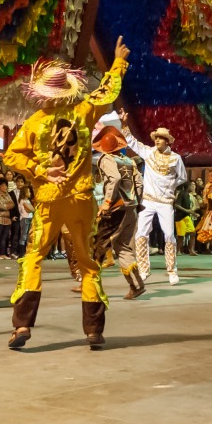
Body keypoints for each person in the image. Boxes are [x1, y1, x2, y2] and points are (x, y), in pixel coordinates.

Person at [3, 38, 130, 350]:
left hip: (49, 199)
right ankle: (94, 330)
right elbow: (108, 92)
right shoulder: (84, 112)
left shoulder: (35, 122)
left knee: (33, 256)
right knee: (88, 263)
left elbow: (11, 157)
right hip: (82, 199)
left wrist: (42, 171)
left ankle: (22, 325)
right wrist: (117, 63)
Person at [124, 124, 185, 285]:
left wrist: (171, 186)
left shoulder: (175, 158)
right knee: (141, 234)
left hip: (165, 202)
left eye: (160, 138)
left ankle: (172, 270)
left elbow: (182, 177)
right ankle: (144, 269)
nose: (157, 140)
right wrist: (124, 124)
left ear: (167, 141)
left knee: (169, 235)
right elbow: (132, 142)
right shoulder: (149, 152)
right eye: (156, 138)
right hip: (148, 200)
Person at [89, 126, 145, 300]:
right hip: (131, 208)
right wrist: (137, 202)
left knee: (99, 243)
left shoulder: (106, 159)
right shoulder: (129, 161)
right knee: (124, 247)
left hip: (116, 209)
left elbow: (115, 178)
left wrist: (106, 203)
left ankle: (90, 284)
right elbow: (140, 184)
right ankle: (136, 285)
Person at [174, 179, 198, 255]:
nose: (193, 187)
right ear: (188, 186)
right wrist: (187, 211)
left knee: (193, 232)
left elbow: (189, 209)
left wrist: (192, 212)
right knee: (181, 235)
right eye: (192, 185)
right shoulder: (182, 193)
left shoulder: (188, 195)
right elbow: (176, 205)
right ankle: (178, 250)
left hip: (186, 217)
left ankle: (191, 250)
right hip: (180, 217)